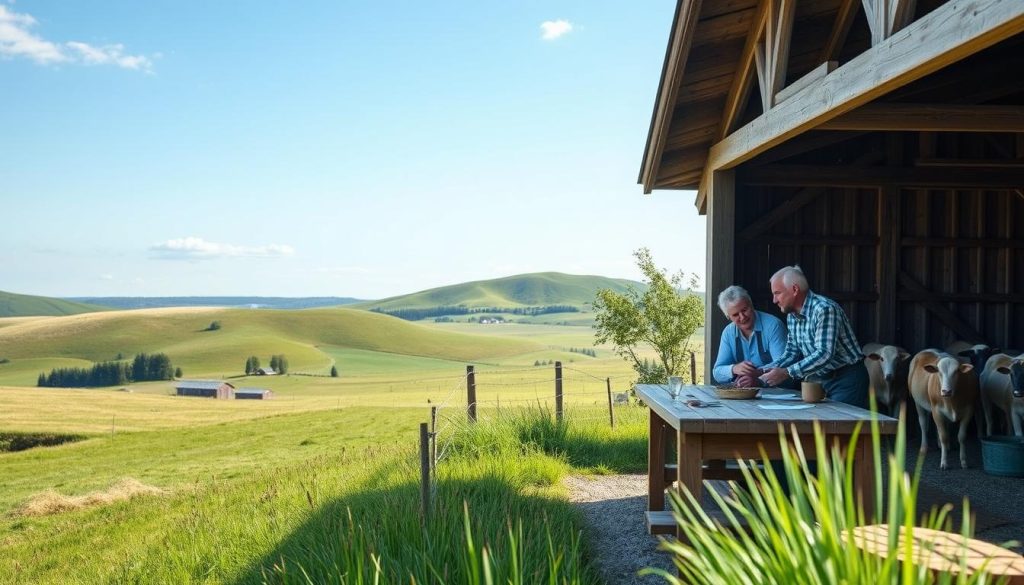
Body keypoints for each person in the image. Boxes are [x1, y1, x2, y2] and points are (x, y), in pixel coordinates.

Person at [759, 265, 869, 408]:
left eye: (777, 293)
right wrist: (760, 371)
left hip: (846, 377)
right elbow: (791, 353)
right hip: (819, 378)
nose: (774, 300)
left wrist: (787, 373)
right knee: (818, 426)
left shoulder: (825, 309)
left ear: (794, 290)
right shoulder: (792, 315)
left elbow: (824, 353)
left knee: (841, 426)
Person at [712, 285, 788, 388]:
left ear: (751, 305)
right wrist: (734, 369)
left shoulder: (773, 326)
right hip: (744, 397)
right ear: (728, 317)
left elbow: (783, 365)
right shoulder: (728, 333)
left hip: (779, 394)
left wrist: (757, 376)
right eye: (735, 315)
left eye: (744, 310)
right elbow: (717, 372)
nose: (742, 317)